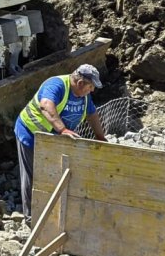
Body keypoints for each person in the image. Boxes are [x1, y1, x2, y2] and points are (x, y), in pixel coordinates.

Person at [14, 63, 108, 219]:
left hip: (55, 139)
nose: (92, 90)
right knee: (34, 175)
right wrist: (62, 130)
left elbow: (92, 114)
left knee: (55, 173)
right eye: (91, 86)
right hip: (31, 134)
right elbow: (46, 105)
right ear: (80, 83)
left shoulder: (84, 96)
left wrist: (100, 137)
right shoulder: (56, 85)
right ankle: (31, 217)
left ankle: (53, 210)